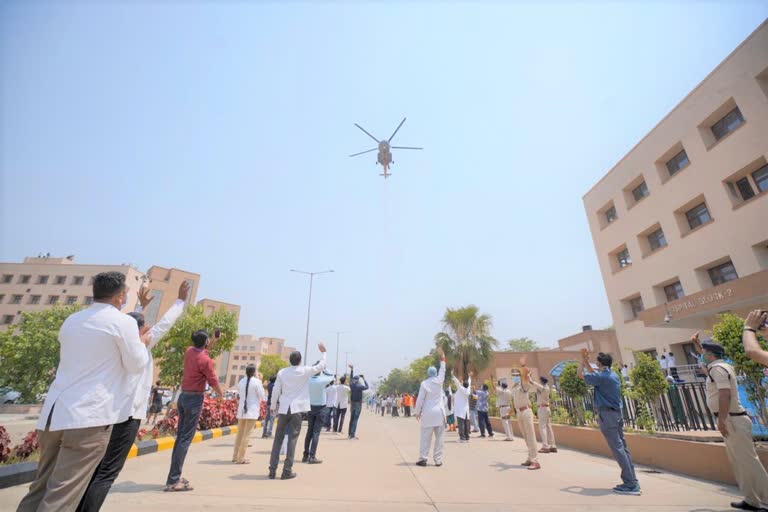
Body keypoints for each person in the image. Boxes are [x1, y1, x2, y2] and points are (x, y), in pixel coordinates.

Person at [16, 272, 149, 512]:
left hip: (54, 415)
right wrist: (141, 343)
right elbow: (136, 364)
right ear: (120, 297)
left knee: (40, 488)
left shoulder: (72, 320)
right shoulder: (124, 323)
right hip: (88, 418)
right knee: (62, 495)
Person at [77, 282, 188, 511]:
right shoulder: (141, 346)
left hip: (104, 413)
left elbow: (128, 324)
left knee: (93, 469)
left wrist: (140, 306)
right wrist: (180, 301)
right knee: (107, 472)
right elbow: (164, 324)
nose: (148, 328)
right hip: (127, 415)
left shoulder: (116, 343)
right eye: (145, 325)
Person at [700, 339, 768, 511]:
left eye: (704, 352)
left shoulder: (718, 370)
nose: (702, 355)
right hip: (730, 418)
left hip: (732, 419)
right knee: (739, 463)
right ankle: (751, 499)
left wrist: (722, 420)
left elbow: (725, 395)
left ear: (710, 354)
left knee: (749, 462)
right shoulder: (718, 367)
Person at [163, 329, 224, 492]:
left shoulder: (189, 351)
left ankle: (173, 476)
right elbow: (213, 380)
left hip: (183, 398)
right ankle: (173, 480)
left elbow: (203, 351)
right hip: (194, 400)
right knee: (185, 440)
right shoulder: (206, 360)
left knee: (180, 438)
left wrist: (213, 340)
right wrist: (220, 395)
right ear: (205, 343)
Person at [578, 350, 640, 495]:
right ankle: (631, 480)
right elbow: (595, 375)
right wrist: (587, 362)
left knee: (618, 449)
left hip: (607, 415)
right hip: (616, 414)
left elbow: (580, 375)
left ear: (600, 363)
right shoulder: (612, 375)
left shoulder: (602, 377)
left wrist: (581, 361)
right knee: (623, 448)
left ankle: (630, 484)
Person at [268, 343, 327, 480]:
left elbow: (276, 390)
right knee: (292, 440)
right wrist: (324, 353)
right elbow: (321, 366)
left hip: (283, 408)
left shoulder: (282, 372)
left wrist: (272, 406)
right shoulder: (305, 370)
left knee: (278, 439)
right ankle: (286, 471)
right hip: (297, 409)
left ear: (290, 360)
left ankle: (272, 469)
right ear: (300, 361)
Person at [414, 348, 446, 466]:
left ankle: (423, 458)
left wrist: (417, 412)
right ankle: (438, 460)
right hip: (439, 413)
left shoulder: (424, 384)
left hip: (428, 414)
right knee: (439, 439)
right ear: (436, 373)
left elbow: (420, 400)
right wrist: (442, 356)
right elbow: (443, 369)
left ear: (428, 373)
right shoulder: (440, 380)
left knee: (425, 438)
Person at [232, 365, 266, 464]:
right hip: (252, 411)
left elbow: (240, 394)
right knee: (247, 435)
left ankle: (235, 456)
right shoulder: (257, 382)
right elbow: (262, 396)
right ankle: (241, 458)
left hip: (242, 411)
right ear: (254, 372)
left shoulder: (241, 381)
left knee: (240, 434)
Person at [302, 365, 334, 464]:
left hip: (310, 407)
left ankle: (305, 455)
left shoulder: (308, 380)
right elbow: (332, 376)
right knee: (316, 433)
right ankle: (312, 456)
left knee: (309, 432)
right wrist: (324, 367)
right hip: (320, 408)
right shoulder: (322, 380)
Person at [530, 375, 557, 453]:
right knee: (549, 427)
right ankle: (553, 445)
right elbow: (534, 383)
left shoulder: (543, 387)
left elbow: (532, 382)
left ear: (541, 381)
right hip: (547, 408)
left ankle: (545, 446)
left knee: (542, 427)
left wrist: (528, 376)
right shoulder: (546, 387)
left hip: (542, 408)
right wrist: (531, 377)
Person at [348, 366, 369, 439]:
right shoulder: (360, 386)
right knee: (355, 420)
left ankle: (349, 433)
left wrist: (352, 370)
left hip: (352, 404)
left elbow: (351, 379)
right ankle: (352, 435)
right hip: (358, 404)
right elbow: (367, 387)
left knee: (351, 418)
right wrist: (364, 379)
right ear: (358, 380)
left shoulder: (351, 385)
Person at [451, 374, 471, 442]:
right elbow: (469, 383)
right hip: (466, 410)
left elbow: (457, 383)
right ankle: (467, 437)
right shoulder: (468, 389)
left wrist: (453, 376)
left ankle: (462, 438)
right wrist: (469, 377)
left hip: (460, 410)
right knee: (466, 424)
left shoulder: (461, 389)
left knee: (461, 424)